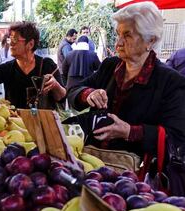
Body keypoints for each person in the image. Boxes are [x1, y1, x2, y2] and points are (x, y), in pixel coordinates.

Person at [67, 2, 185, 157]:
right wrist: (88, 94)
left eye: (127, 35)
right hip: (93, 159)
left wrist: (130, 132)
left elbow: (176, 137)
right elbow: (74, 90)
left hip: (135, 172)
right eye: (118, 34)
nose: (118, 43)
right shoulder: (110, 66)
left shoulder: (170, 81)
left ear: (151, 41)